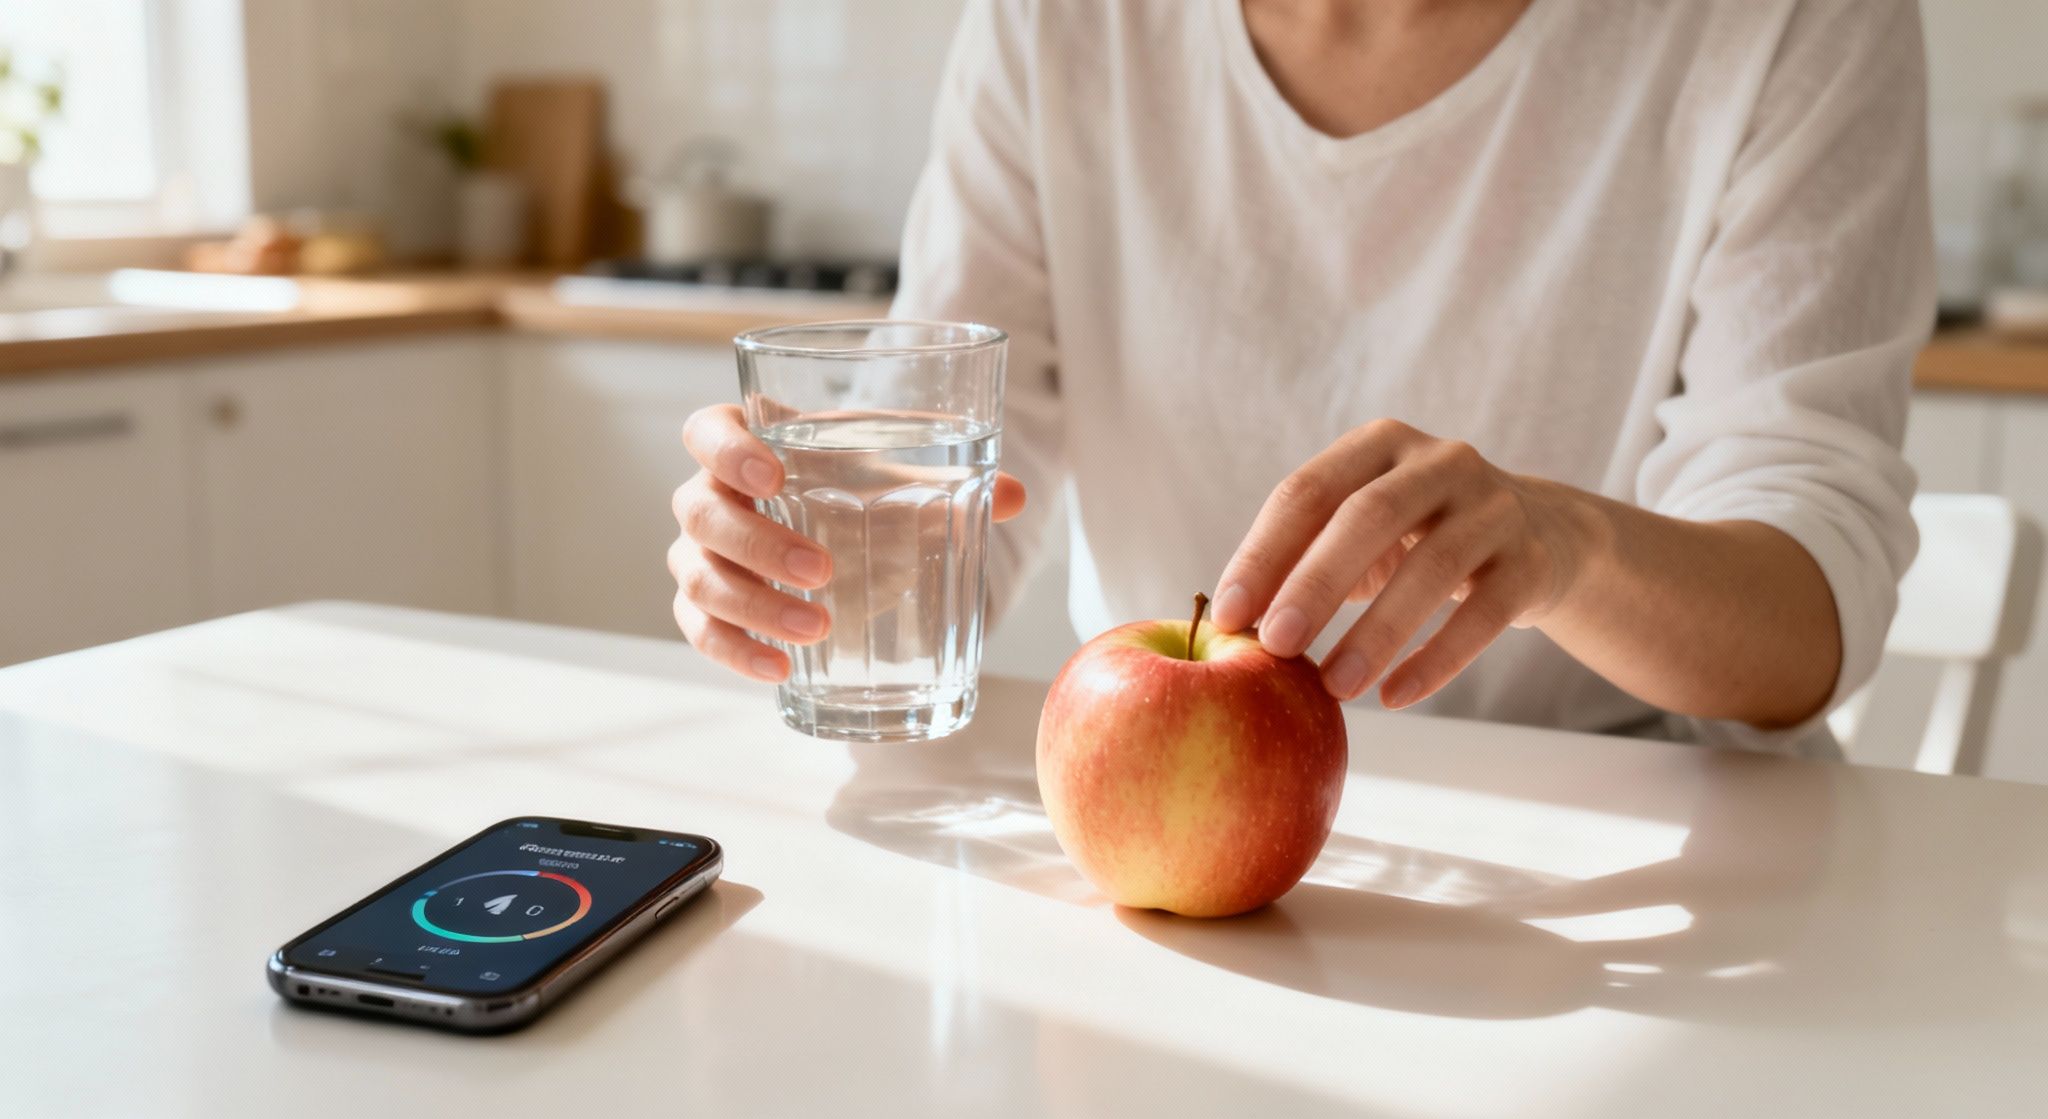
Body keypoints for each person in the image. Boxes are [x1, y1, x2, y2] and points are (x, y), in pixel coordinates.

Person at [669, 0, 1931, 753]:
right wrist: (802, 570)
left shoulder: (1778, 23)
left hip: (1638, 837)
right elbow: (946, 456)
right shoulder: (1060, 23)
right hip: (1159, 819)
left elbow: (1811, 617)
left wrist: (1570, 546)